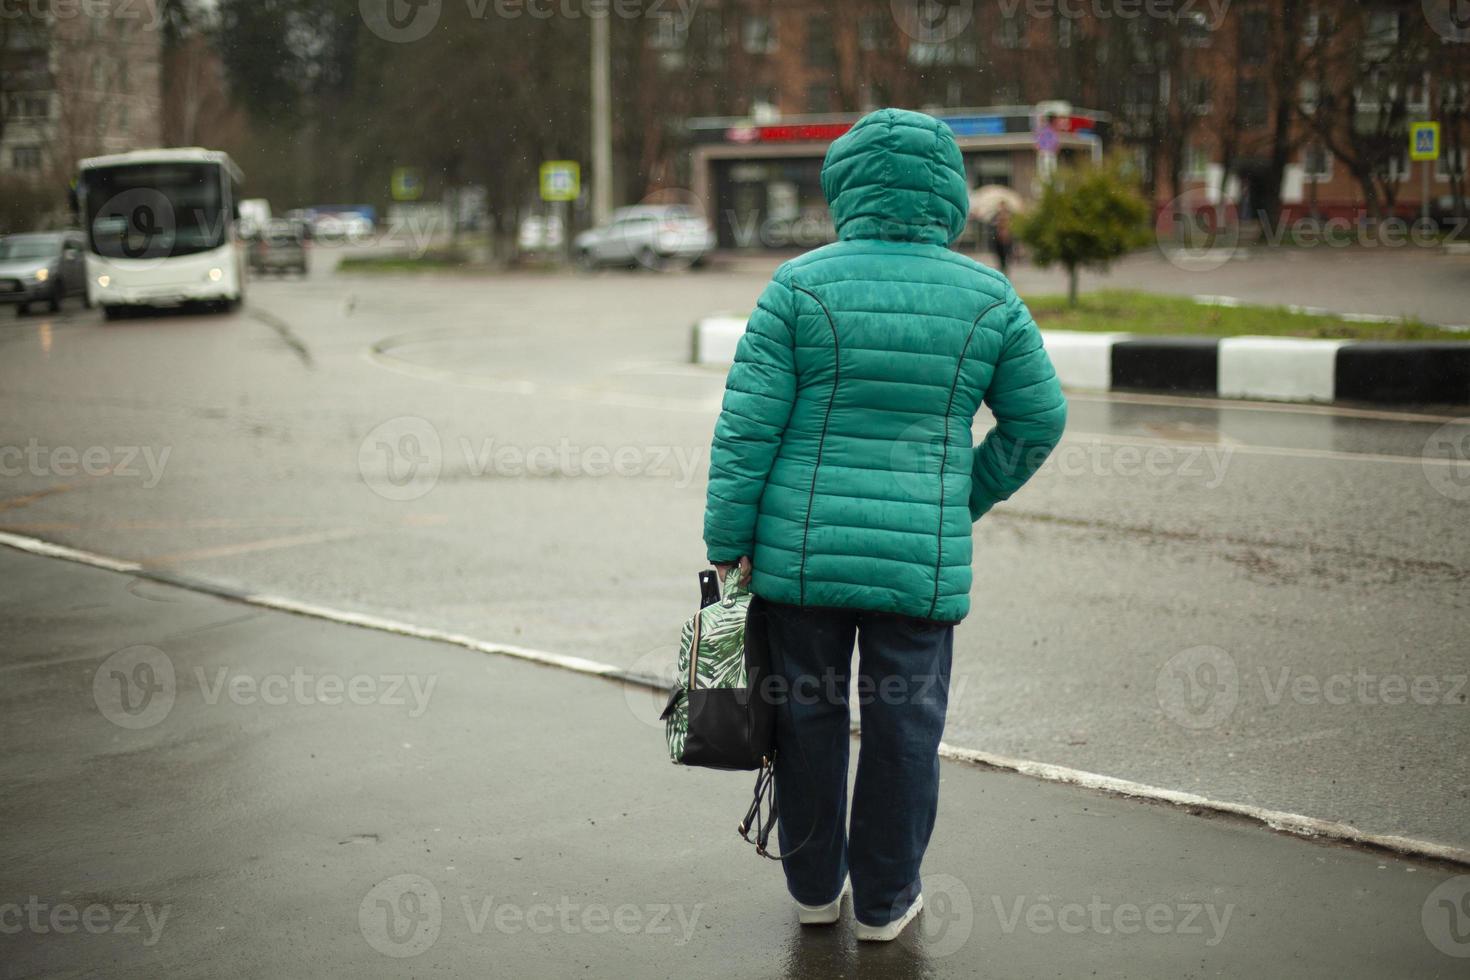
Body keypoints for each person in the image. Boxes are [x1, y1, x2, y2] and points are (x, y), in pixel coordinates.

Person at [702, 109, 1067, 942]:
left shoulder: (798, 286)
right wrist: (958, 499)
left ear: (844, 186)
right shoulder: (989, 297)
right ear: (949, 193)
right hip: (918, 567)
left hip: (801, 560)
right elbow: (1037, 423)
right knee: (905, 727)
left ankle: (812, 889)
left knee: (807, 716)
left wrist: (728, 541)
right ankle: (886, 901)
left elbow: (746, 428)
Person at [991, 201, 1014, 273]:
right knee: (999, 253)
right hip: (998, 237)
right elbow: (992, 223)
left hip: (1007, 237)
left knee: (1006, 253)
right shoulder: (996, 215)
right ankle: (1002, 266)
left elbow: (1012, 225)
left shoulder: (1009, 214)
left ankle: (1005, 267)